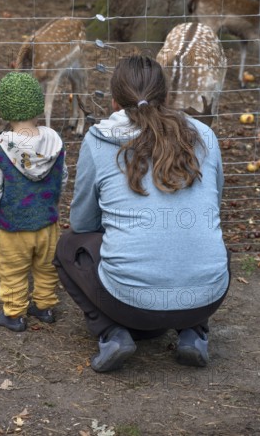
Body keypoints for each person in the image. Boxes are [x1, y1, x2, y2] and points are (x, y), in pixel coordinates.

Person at [54, 56, 230, 372]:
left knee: (68, 245)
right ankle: (194, 333)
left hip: (127, 303)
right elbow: (212, 206)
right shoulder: (205, 134)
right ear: (167, 96)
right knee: (206, 238)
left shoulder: (98, 139)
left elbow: (82, 223)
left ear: (114, 100)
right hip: (208, 296)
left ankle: (112, 332)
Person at [0, 72, 68, 332]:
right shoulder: (55, 142)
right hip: (48, 223)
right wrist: (53, 201)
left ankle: (15, 314)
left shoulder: (0, 149)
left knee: (12, 269)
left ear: (6, 109)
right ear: (37, 105)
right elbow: (63, 177)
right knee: (46, 266)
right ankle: (44, 307)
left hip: (13, 227)